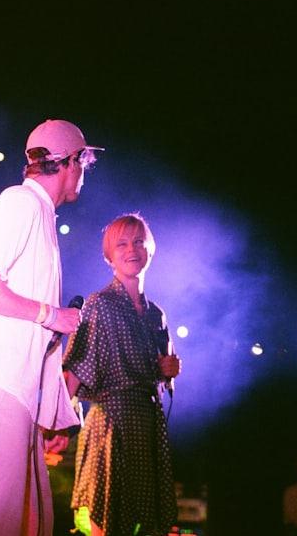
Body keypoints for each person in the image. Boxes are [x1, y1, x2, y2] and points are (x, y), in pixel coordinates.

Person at [0, 119, 103, 536]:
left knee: (30, 523)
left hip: (18, 398)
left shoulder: (40, 214)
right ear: (70, 161)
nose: (84, 171)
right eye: (84, 161)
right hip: (0, 390)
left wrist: (50, 413)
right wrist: (53, 315)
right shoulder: (19, 202)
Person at [62, 213, 181, 536]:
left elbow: (158, 367)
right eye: (123, 243)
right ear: (109, 255)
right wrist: (54, 426)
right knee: (105, 520)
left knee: (145, 524)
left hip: (147, 421)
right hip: (110, 423)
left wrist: (166, 371)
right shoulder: (99, 304)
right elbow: (75, 369)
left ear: (150, 250)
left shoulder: (156, 313)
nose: (132, 249)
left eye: (139, 241)